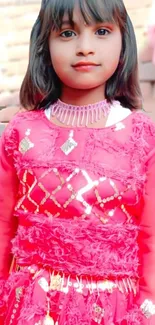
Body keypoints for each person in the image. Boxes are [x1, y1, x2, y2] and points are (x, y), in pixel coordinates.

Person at [0, 0, 155, 324]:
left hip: (114, 310)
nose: (85, 48)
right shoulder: (20, 132)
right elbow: (2, 226)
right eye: (68, 32)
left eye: (101, 31)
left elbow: (151, 236)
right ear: (45, 43)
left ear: (124, 41)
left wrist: (148, 306)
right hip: (29, 305)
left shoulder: (143, 136)